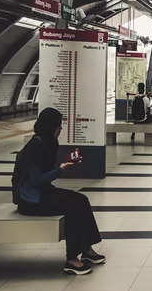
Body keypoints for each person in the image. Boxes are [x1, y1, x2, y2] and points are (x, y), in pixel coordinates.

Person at [13, 108, 104, 275]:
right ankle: (71, 259)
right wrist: (60, 169)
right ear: (50, 126)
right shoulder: (35, 147)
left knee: (81, 199)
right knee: (72, 206)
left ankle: (86, 249)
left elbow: (44, 177)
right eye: (58, 125)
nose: (60, 129)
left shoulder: (48, 143)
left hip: (42, 193)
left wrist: (64, 164)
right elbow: (36, 180)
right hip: (30, 201)